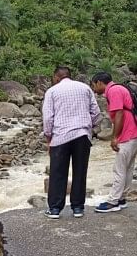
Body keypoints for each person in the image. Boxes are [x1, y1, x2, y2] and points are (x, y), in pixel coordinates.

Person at [42, 66, 101, 219]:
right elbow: (96, 112)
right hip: (82, 135)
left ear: (56, 77)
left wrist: (49, 137)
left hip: (60, 136)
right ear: (70, 75)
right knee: (80, 171)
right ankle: (78, 208)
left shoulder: (52, 91)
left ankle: (55, 208)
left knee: (58, 173)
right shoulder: (85, 88)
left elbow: (48, 118)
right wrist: (90, 127)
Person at [91, 72, 137, 213]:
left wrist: (115, 137)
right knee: (128, 167)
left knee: (119, 168)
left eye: (94, 85)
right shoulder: (118, 88)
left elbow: (119, 114)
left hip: (128, 133)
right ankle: (121, 198)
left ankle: (113, 201)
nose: (94, 89)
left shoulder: (113, 91)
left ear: (99, 83)